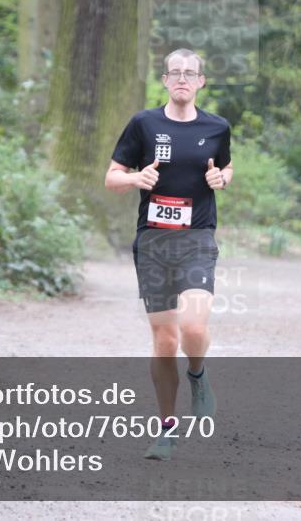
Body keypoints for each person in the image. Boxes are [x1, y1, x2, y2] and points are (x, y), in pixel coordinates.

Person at [105, 48, 233, 461]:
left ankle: (197, 375)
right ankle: (166, 429)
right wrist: (134, 177)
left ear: (200, 82)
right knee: (164, 340)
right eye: (175, 72)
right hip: (154, 241)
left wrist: (221, 177)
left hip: (196, 237)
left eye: (189, 73)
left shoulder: (217, 127)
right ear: (164, 80)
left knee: (193, 328)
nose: (182, 78)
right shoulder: (144, 123)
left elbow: (226, 169)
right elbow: (111, 178)